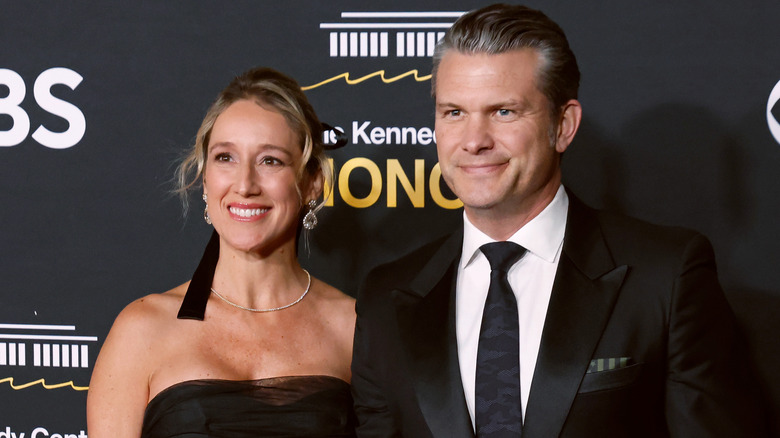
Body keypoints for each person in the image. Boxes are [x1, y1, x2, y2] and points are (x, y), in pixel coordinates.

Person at [351, 4, 766, 437]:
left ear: (563, 125)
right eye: (454, 112)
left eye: (504, 112)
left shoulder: (665, 276)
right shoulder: (385, 298)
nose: (474, 141)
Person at [87, 67, 356, 437]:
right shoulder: (142, 331)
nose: (244, 185)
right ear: (205, 179)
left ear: (312, 183)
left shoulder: (353, 327)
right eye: (225, 157)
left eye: (270, 160)